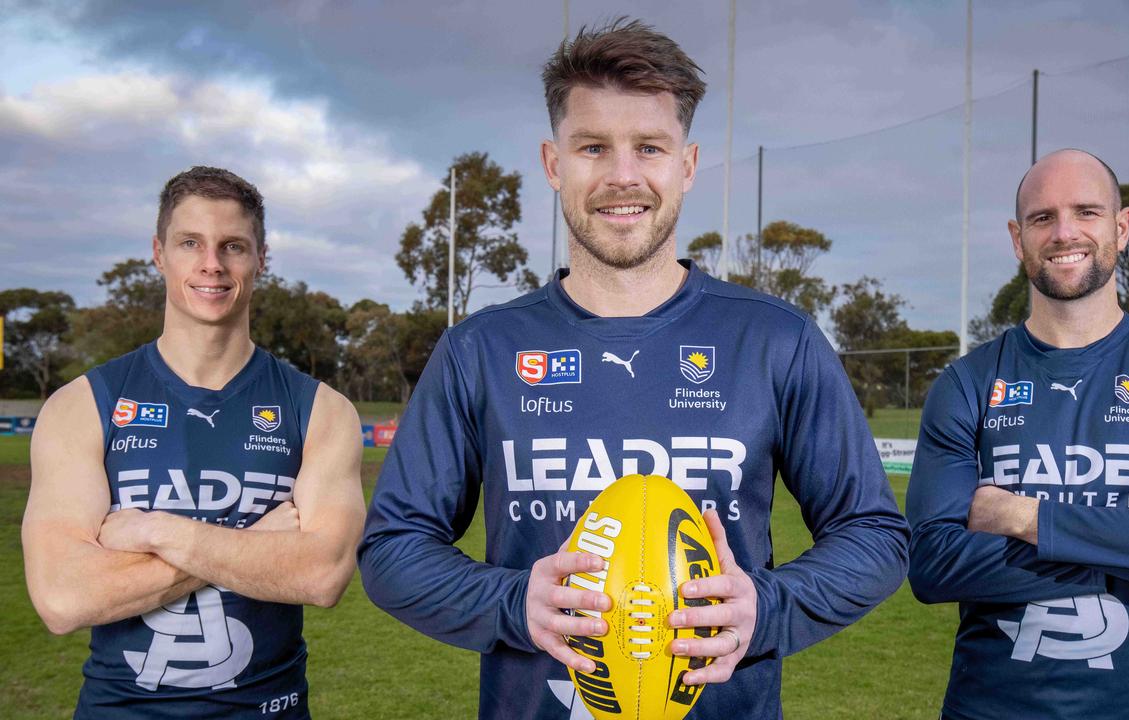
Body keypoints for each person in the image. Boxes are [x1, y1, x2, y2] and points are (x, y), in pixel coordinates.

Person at [359, 18, 908, 720]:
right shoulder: (480, 350)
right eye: (593, 147)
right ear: (555, 163)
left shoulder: (775, 340)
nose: (623, 176)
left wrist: (765, 607)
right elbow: (392, 549)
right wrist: (509, 601)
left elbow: (874, 533)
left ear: (686, 162)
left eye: (649, 147)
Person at [906, 148, 1129, 719]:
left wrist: (1025, 519)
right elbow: (932, 565)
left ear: (1122, 228)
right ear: (1017, 238)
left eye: (1087, 212)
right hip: (994, 708)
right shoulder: (966, 384)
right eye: (1042, 217)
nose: (1064, 232)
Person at [22, 166, 366, 718]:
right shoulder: (82, 406)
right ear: (159, 253)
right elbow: (63, 599)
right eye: (191, 243)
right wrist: (255, 543)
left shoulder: (321, 410)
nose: (212, 264)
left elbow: (322, 576)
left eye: (233, 246)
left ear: (261, 259)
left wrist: (156, 530)